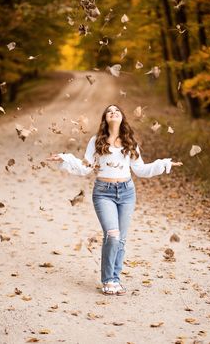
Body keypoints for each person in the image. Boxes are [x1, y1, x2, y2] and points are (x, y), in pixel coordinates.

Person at [46, 104, 183, 296]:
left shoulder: (130, 142)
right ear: (105, 118)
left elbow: (141, 170)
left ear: (122, 117)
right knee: (112, 234)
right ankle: (108, 279)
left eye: (117, 111)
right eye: (109, 111)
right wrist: (65, 159)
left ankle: (115, 278)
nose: (113, 112)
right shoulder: (96, 141)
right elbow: (86, 167)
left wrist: (164, 164)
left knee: (121, 239)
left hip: (127, 192)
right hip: (103, 192)